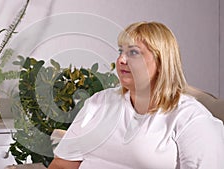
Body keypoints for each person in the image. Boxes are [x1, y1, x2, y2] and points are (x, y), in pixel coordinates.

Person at [48, 21, 224, 169]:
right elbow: (62, 165)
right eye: (120, 52)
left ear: (161, 61)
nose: (121, 60)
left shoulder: (191, 118)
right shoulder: (98, 103)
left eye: (133, 52)